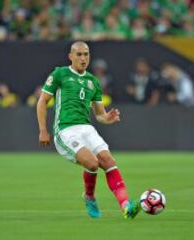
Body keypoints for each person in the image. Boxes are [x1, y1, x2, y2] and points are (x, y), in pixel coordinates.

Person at [36, 41, 140, 219]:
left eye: (86, 54)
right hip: (66, 130)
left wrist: (108, 118)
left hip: (87, 128)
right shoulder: (60, 74)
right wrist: (43, 130)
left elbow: (100, 115)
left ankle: (126, 206)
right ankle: (90, 197)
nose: (83, 58)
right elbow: (42, 101)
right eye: (79, 54)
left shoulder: (93, 81)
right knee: (92, 163)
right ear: (71, 56)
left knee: (108, 160)